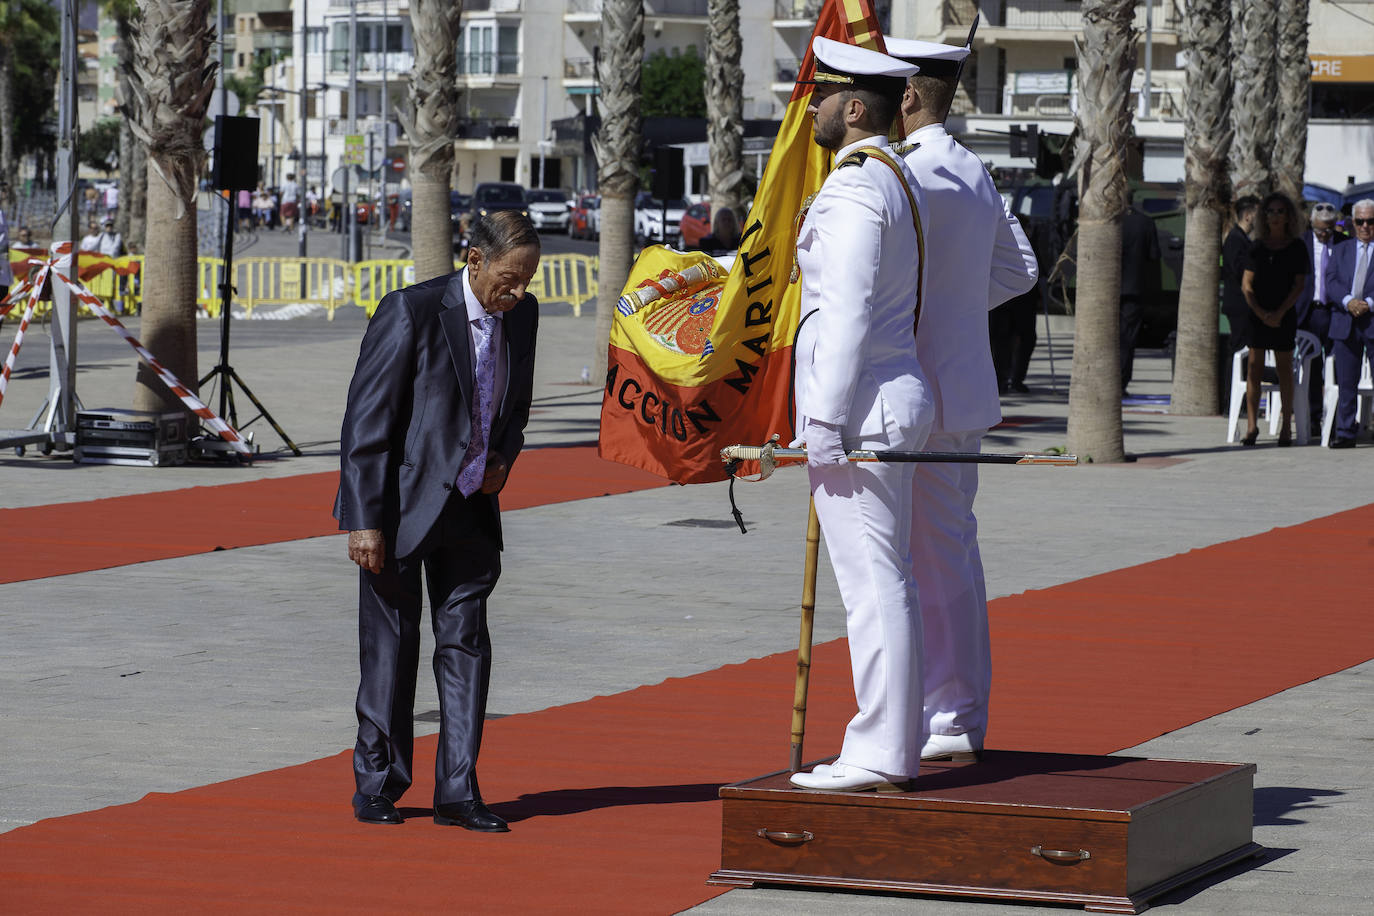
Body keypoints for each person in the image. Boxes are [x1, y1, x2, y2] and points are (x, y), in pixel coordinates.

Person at [336, 210, 541, 830]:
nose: (519, 291)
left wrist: (504, 454)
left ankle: (458, 790)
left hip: (472, 509)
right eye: (510, 277)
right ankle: (378, 783)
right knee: (390, 647)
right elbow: (366, 422)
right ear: (474, 260)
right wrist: (363, 519)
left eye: (529, 279)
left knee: (466, 648)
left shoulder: (522, 317)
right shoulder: (412, 311)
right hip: (400, 511)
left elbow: (516, 401)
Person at [786, 37, 932, 793]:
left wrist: (823, 422)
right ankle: (892, 743)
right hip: (889, 397)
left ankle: (878, 751)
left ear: (851, 108)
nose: (806, 108)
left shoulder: (852, 191)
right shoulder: (895, 180)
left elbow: (841, 318)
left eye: (818, 97)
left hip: (862, 411)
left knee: (874, 585)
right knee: (888, 580)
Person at [887, 37, 1038, 764]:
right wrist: (952, 313)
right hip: (959, 388)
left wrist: (928, 315)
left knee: (925, 559)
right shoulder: (971, 168)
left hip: (920, 394)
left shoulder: (911, 174)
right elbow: (1020, 269)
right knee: (950, 554)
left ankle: (947, 715)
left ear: (908, 98)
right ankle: (955, 713)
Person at [1239, 192, 1307, 446]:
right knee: (1254, 369)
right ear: (1263, 216)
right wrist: (1260, 312)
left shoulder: (1297, 246)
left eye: (1280, 211)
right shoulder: (1256, 246)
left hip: (1284, 315)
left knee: (1284, 369)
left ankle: (1285, 427)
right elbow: (1246, 285)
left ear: (1288, 215)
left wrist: (1278, 313)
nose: (1275, 216)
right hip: (1258, 315)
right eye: (1270, 211)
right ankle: (1251, 425)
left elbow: (1299, 285)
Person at [1323, 198, 1374, 449]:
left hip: (1372, 320)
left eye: (1370, 221)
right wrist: (1347, 301)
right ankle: (1345, 432)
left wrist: (1369, 303)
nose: (1365, 226)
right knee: (1346, 381)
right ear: (1353, 223)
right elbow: (1330, 280)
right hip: (1345, 321)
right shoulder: (1341, 249)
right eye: (1360, 221)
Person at [1297, 202, 1349, 432]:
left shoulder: (1343, 244)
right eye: (1319, 230)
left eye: (1328, 230)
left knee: (1338, 365)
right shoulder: (1302, 243)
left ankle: (1337, 416)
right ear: (1311, 225)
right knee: (1312, 366)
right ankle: (1315, 416)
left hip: (1335, 312)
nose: (1323, 235)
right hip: (1310, 312)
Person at [1118, 197, 1161, 393]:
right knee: (1127, 338)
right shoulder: (1145, 222)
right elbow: (1154, 255)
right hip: (1134, 288)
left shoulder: (1103, 222)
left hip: (1105, 289)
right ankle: (1121, 381)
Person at [1222, 196, 1260, 357]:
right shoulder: (1235, 239)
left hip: (1245, 304)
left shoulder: (1243, 239)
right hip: (1239, 304)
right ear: (1248, 216)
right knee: (1239, 348)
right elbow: (1240, 270)